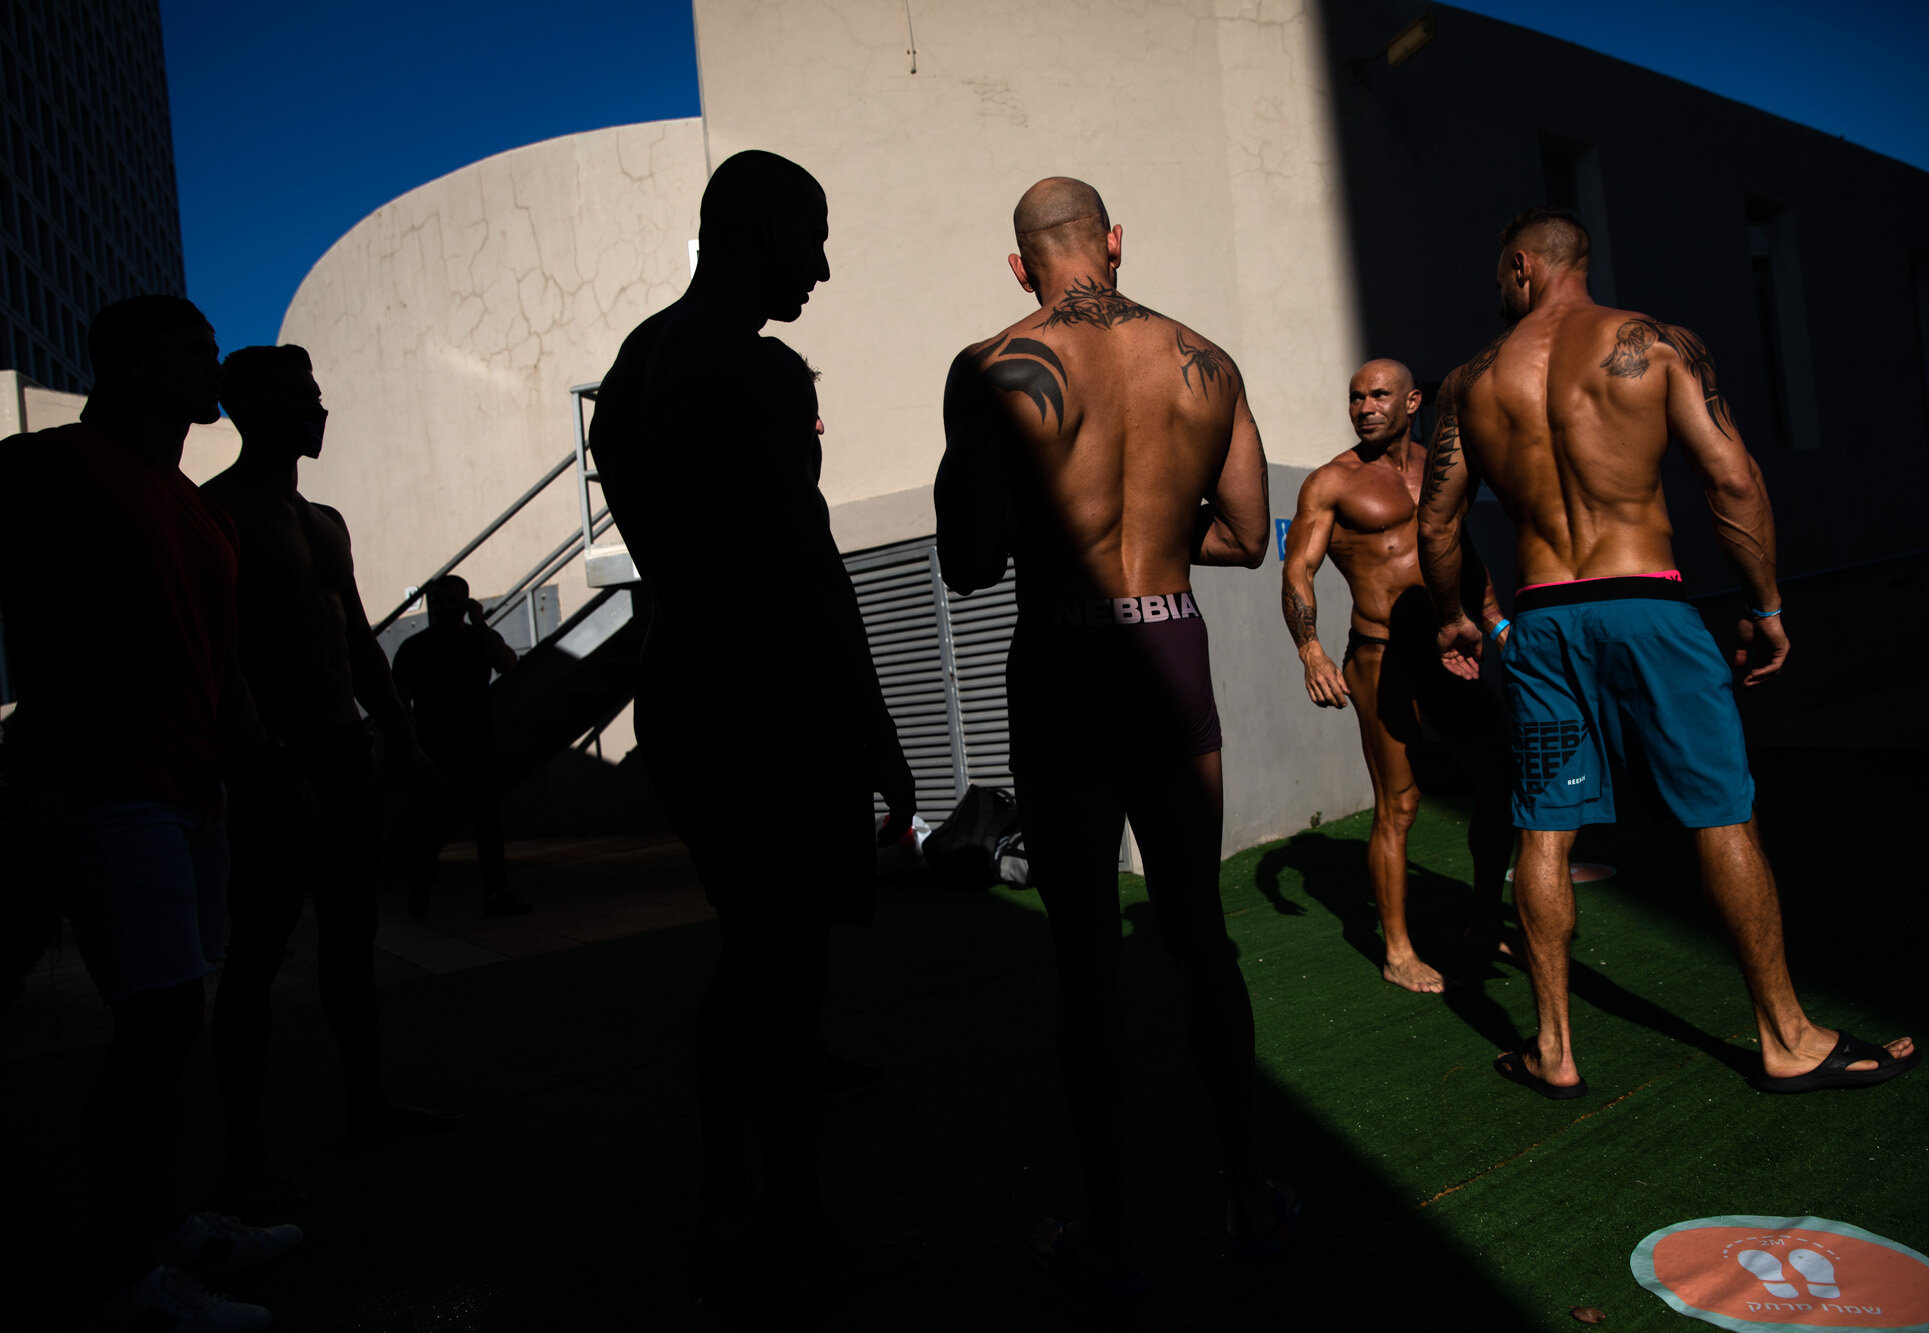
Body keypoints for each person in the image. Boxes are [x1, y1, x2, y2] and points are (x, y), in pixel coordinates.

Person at [1414, 207, 1919, 1098]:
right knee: (1721, 813)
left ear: (1524, 267)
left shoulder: (1468, 381)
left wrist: (1457, 615)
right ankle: (1786, 1036)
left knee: (1544, 828)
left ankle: (1555, 1047)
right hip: (1646, 603)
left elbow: (1440, 522)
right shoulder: (1655, 344)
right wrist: (1765, 605)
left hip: (1542, 622)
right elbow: (1732, 476)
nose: (1499, 287)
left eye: (1502, 273)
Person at [935, 177, 1295, 1294]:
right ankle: (1243, 1193)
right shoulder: (1207, 360)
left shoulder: (989, 365)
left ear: (1019, 266)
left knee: (1084, 961)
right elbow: (1245, 532)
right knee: (1200, 936)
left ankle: (1109, 1227)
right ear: (1115, 242)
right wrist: (1157, 529)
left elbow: (965, 561)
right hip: (1167, 647)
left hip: (1060, 654)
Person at [586, 149, 917, 1289]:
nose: (821, 265)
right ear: (756, 226)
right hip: (762, 697)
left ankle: (728, 1190)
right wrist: (879, 740)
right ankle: (799, 1217)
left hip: (677, 685)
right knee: (786, 970)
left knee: (746, 950)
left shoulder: (634, 368)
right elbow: (805, 571)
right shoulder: (754, 369)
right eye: (809, 234)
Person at [0, 297, 298, 1331]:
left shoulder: (195, 505)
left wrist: (249, 758)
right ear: (130, 365)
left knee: (172, 1019)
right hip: (104, 783)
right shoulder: (49, 468)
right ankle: (128, 1281)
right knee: (155, 1020)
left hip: (191, 789)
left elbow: (218, 660)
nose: (214, 368)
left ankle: (164, 1229)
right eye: (195, 351)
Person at [202, 344, 463, 1210]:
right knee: (256, 954)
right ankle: (244, 1147)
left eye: (318, 393)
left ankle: (367, 1101)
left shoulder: (325, 521)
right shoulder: (217, 516)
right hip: (277, 764)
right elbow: (215, 654)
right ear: (249, 407)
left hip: (344, 757)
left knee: (352, 940)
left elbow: (355, 640)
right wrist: (252, 757)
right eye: (300, 396)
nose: (319, 409)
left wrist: (401, 737)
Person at [1280, 358, 1515, 993]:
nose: (1364, 407)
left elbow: (1464, 551)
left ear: (1413, 402)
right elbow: (1297, 569)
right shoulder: (1333, 482)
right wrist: (1312, 652)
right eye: (1355, 397)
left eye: (1378, 395)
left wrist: (1495, 622)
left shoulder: (1443, 470)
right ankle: (1399, 951)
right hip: (1381, 656)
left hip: (1447, 648)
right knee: (1400, 803)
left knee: (1500, 778)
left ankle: (1482, 920)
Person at [391, 573, 529, 917]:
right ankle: (426, 888)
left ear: (464, 604)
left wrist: (480, 625)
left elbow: (508, 663)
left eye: (450, 602)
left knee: (484, 821)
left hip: (475, 744)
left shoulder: (474, 640)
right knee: (434, 824)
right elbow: (400, 701)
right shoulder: (416, 648)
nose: (442, 609)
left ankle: (489, 893)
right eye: (438, 602)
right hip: (437, 747)